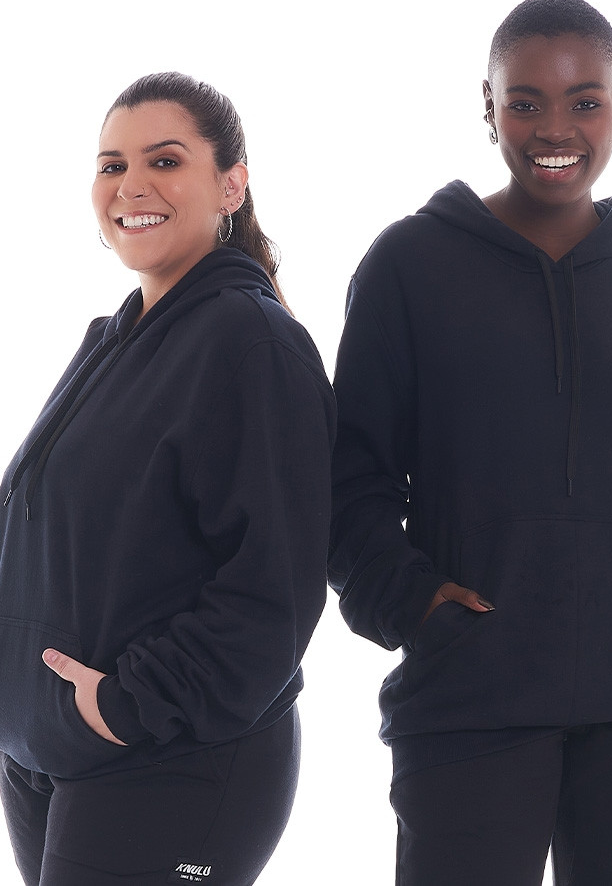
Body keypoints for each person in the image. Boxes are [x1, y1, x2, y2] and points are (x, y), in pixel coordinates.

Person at [329, 0, 612, 885]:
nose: (555, 128)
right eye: (525, 101)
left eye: (585, 100)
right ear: (488, 104)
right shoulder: (408, 265)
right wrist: (411, 605)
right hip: (472, 695)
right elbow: (349, 479)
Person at [0, 72, 335, 886]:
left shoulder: (251, 343)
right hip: (51, 756)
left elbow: (274, 591)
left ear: (231, 185)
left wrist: (124, 706)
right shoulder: (113, 340)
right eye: (111, 165)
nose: (131, 186)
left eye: (165, 161)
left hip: (168, 758)